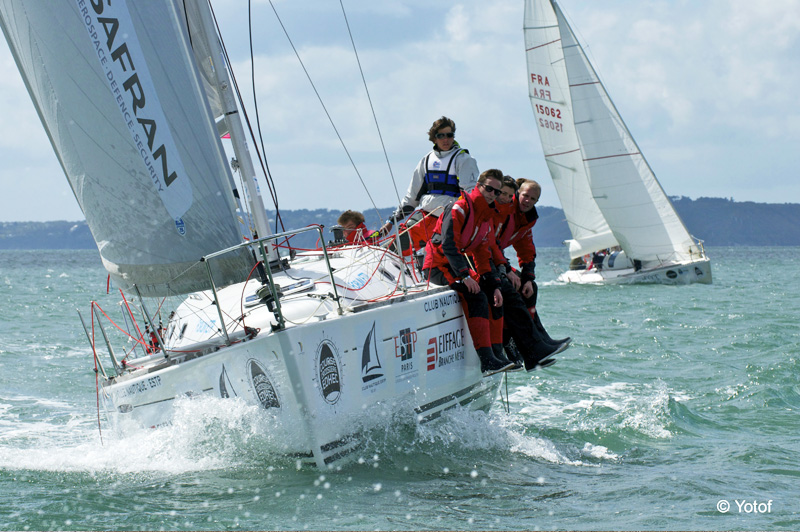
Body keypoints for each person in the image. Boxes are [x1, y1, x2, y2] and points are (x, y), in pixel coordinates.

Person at [422, 170, 513, 376]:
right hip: (436, 266)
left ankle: (497, 355)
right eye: (488, 188)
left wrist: (494, 285)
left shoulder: (484, 215)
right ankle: (487, 360)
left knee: (493, 296)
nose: (492, 194)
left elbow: (482, 253)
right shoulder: (459, 208)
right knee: (476, 295)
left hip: (456, 266)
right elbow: (448, 245)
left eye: (496, 191)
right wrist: (464, 276)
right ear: (478, 186)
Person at [380, 116, 479, 254]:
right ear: (434, 138)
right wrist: (391, 221)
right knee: (390, 250)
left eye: (449, 135)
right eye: (441, 136)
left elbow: (469, 196)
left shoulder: (464, 160)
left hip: (450, 221)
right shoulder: (426, 160)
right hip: (426, 217)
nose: (446, 139)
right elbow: (412, 196)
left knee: (445, 259)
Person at [495, 177, 570, 349]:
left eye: (533, 199)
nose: (528, 201)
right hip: (485, 260)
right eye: (525, 196)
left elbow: (526, 249)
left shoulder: (527, 218)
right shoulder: (506, 211)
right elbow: (491, 243)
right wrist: (507, 269)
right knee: (510, 290)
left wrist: (528, 276)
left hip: (496, 261)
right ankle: (521, 345)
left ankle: (541, 339)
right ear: (517, 193)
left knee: (530, 288)